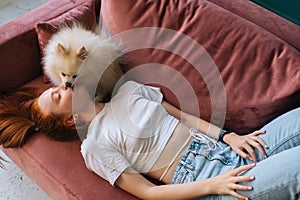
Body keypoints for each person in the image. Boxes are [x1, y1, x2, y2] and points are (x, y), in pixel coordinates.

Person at [0, 81, 299, 200]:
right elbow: (146, 192)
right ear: (70, 120)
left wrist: (228, 135)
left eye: (56, 85)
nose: (64, 84)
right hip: (212, 183)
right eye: (58, 94)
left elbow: (183, 118)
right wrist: (213, 186)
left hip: (228, 150)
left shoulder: (129, 89)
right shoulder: (94, 146)